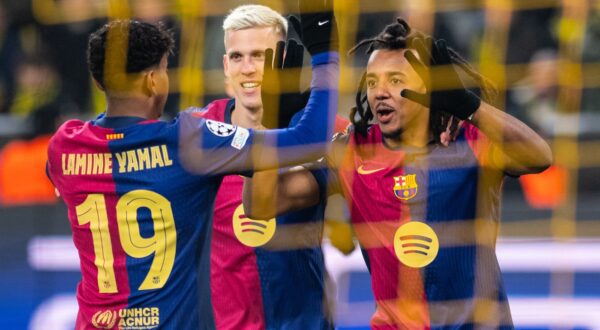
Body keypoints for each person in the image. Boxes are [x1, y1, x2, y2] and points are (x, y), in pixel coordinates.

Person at [244, 18, 553, 329]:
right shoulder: (352, 150)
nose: (380, 92)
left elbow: (540, 158)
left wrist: (468, 106)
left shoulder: (469, 140)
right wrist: (267, 128)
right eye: (373, 81)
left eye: (394, 80)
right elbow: (260, 205)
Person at [45, 3, 339, 328]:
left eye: (259, 55)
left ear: (99, 84)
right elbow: (309, 137)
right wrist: (326, 56)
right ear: (154, 81)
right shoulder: (188, 141)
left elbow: (61, 181)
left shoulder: (65, 144)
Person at [194, 4, 350, 329]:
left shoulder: (323, 130)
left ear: (283, 58)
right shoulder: (197, 133)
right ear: (225, 66)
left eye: (261, 55)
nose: (248, 68)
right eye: (237, 57)